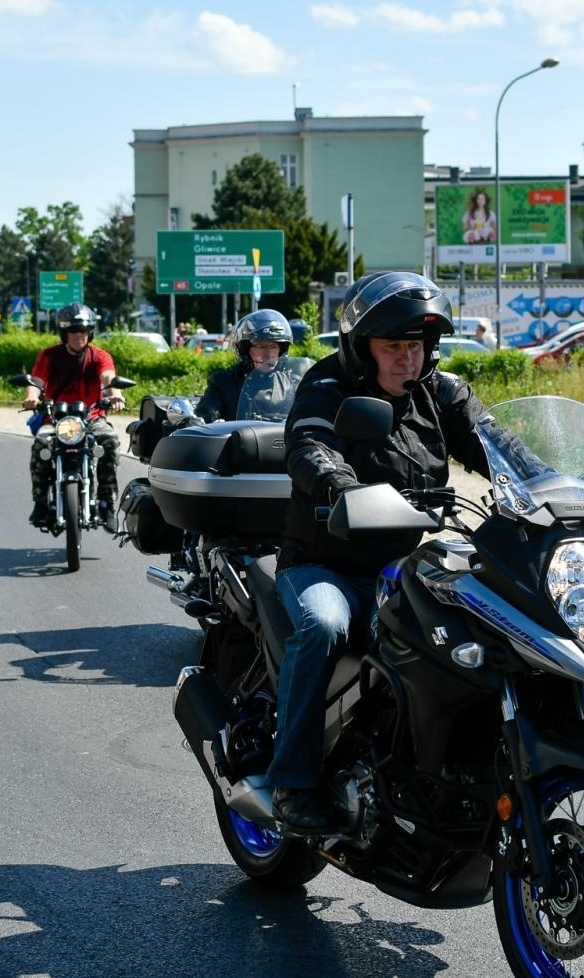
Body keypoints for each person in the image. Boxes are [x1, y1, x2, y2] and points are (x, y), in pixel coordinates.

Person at [267, 272, 492, 832]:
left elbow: (494, 441)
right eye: (392, 347)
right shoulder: (326, 387)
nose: (406, 360)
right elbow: (309, 445)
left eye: (415, 346)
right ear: (361, 348)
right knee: (323, 625)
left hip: (400, 568)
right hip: (325, 563)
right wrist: (341, 486)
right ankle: (291, 784)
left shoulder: (440, 394)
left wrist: (552, 482)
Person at [23, 303, 125, 528]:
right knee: (41, 444)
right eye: (73, 331)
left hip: (91, 418)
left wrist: (116, 395)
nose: (79, 336)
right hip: (57, 419)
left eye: (84, 331)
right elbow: (36, 382)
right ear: (64, 333)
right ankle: (40, 503)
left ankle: (106, 501)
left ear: (91, 332)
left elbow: (108, 378)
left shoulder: (99, 356)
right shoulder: (49, 356)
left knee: (110, 442)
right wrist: (32, 397)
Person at [195, 308, 299, 422]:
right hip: (239, 439)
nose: (269, 354)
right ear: (245, 350)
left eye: (273, 347)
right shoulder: (223, 382)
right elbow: (204, 419)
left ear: (281, 350)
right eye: (262, 346)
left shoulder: (292, 385)